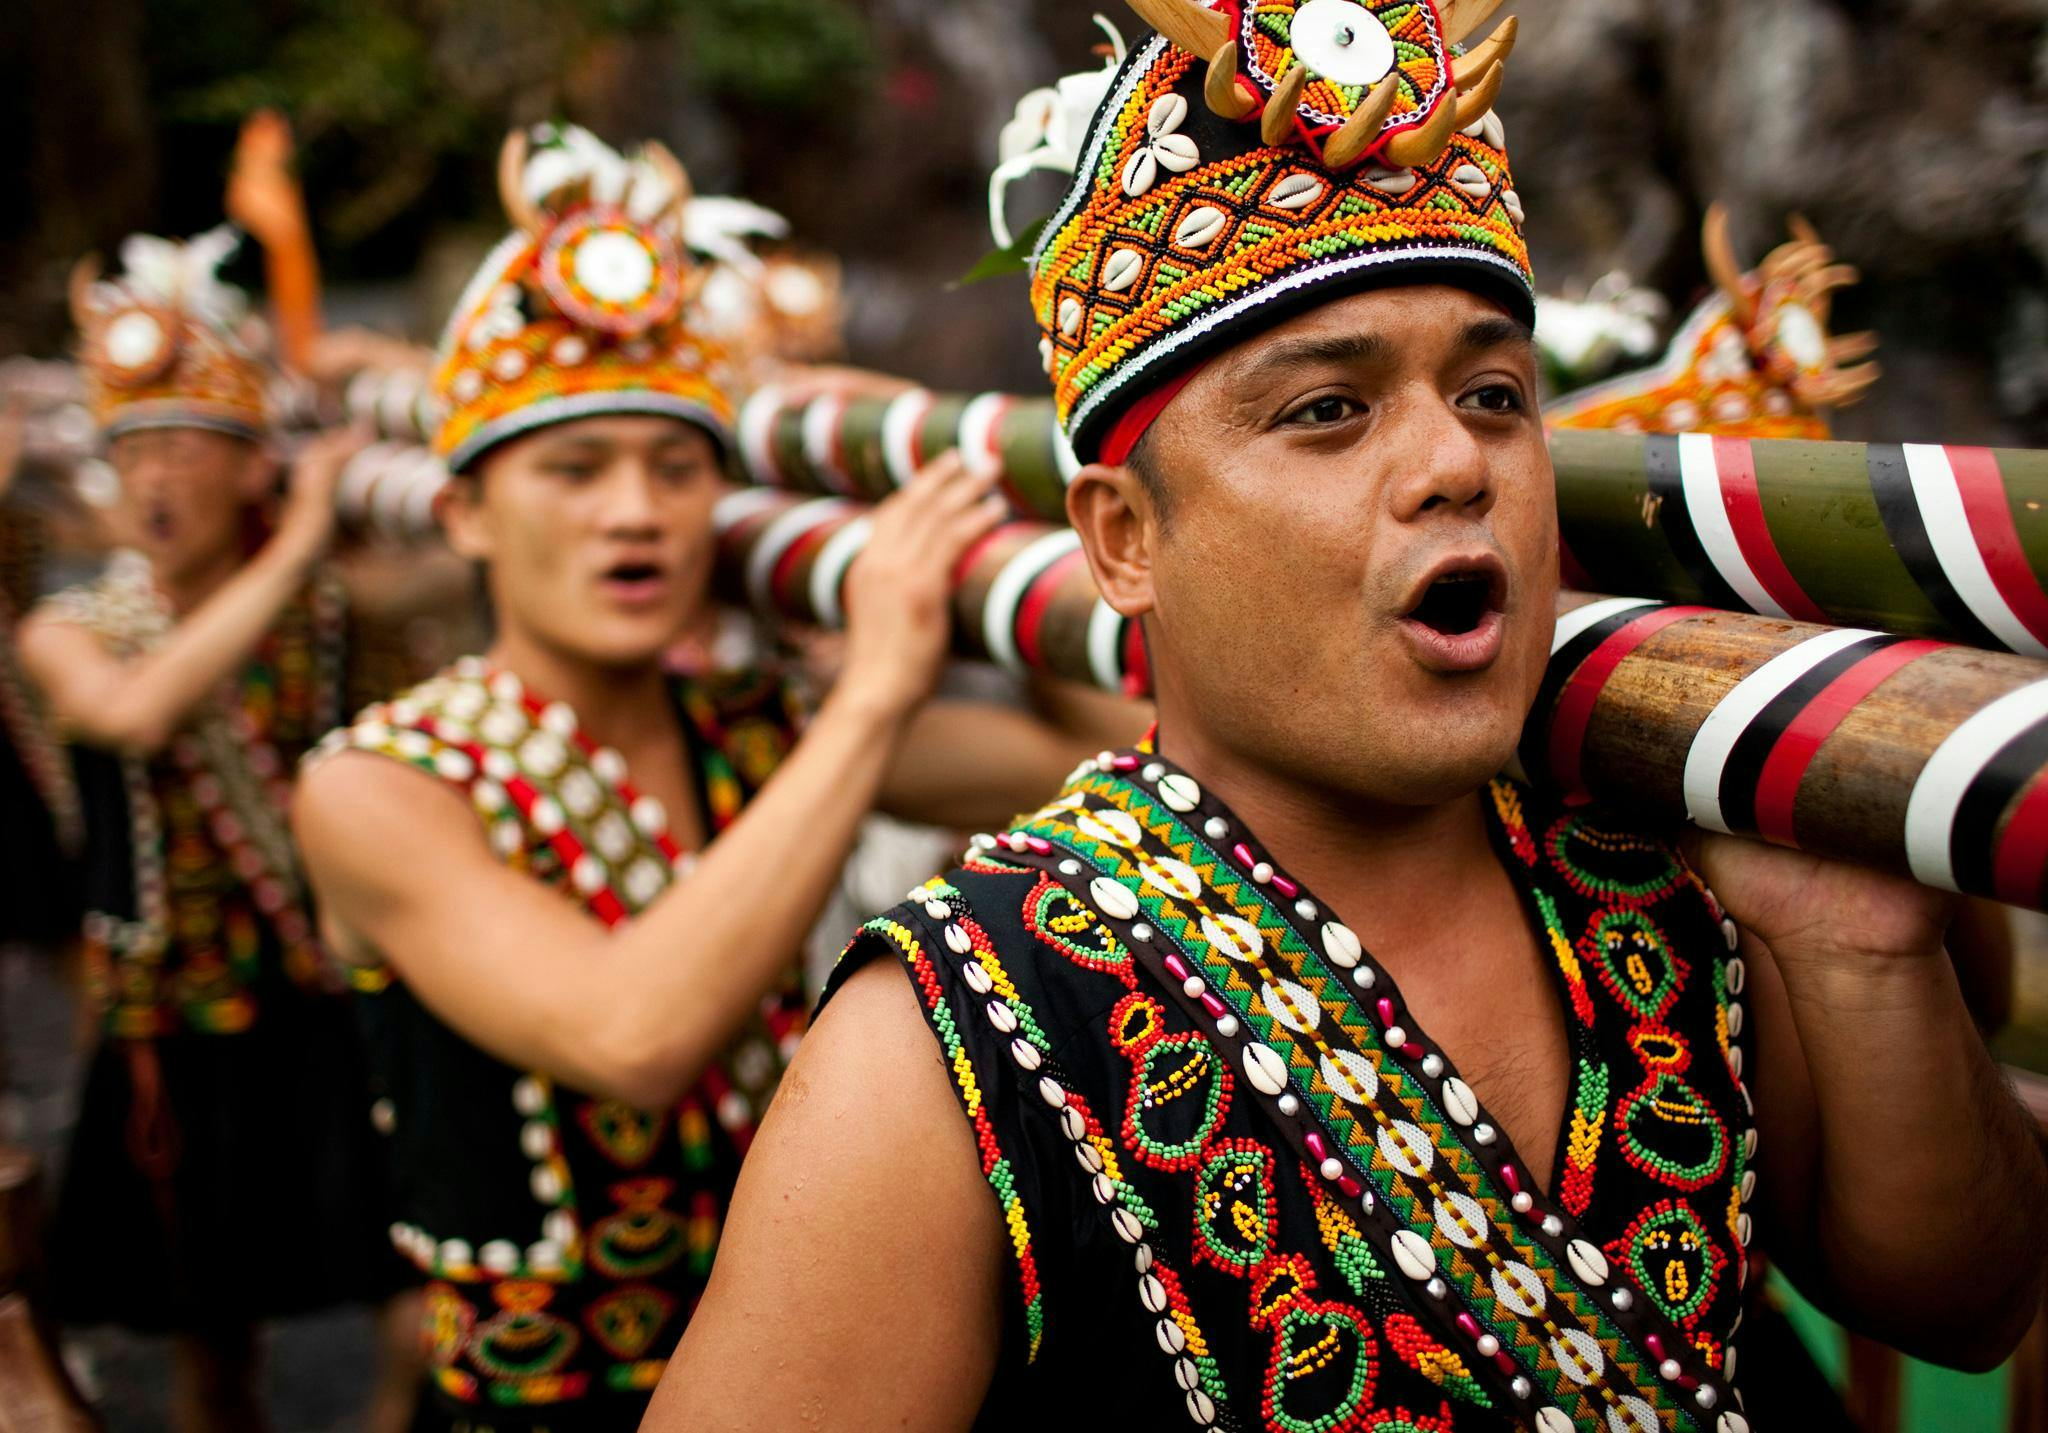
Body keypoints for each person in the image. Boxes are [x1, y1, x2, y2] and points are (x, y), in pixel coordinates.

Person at [650, 7, 2048, 1430]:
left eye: (1495, 394)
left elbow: (1967, 1304)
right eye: (1328, 409)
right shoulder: (947, 1045)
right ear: (1126, 540)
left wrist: (1855, 950)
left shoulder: (1658, 847)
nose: (1457, 460)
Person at [291, 124, 1122, 1432]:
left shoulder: (761, 721)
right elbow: (635, 1036)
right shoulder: (377, 785)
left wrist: (994, 522)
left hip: (816, 1363)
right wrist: (870, 689)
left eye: (677, 468)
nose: (637, 512)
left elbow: (1098, 754)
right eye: (574, 469)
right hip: (542, 1400)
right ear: (462, 514)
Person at [18, 227, 414, 1432]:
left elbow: (477, 534)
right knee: (213, 1357)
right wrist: (294, 548)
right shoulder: (70, 630)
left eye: (189, 445)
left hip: (326, 1001)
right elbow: (135, 713)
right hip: (169, 1027)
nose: (156, 478)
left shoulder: (332, 604)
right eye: (133, 448)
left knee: (423, 1306)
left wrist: (376, 385)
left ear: (254, 468)